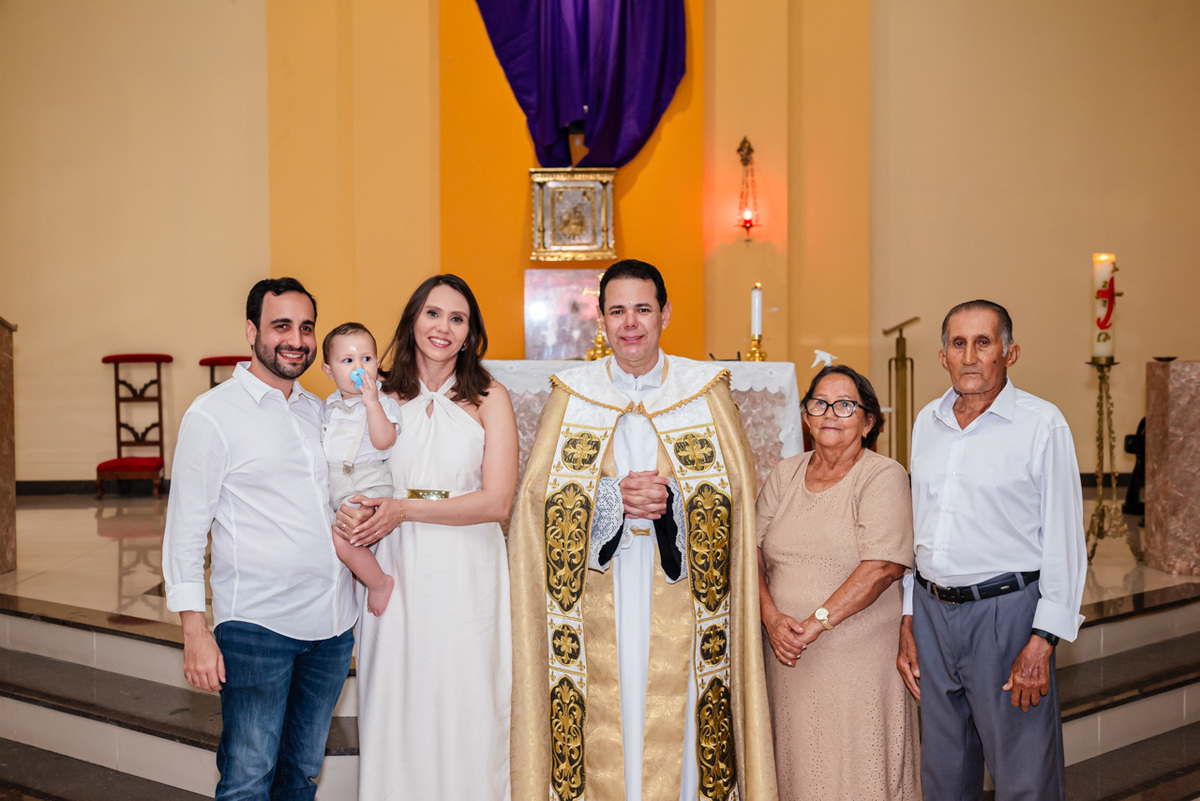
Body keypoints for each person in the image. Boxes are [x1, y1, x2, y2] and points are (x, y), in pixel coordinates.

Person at [509, 259, 777, 801]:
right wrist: (611, 498)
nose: (630, 323)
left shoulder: (703, 391)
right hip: (596, 592)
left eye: (642, 309)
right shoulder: (573, 393)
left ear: (665, 314)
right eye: (617, 311)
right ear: (601, 321)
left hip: (681, 592)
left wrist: (672, 500)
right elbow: (536, 498)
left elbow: (737, 496)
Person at [162, 277, 356, 800]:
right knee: (248, 779)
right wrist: (194, 630)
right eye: (281, 326)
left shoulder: (318, 410)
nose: (296, 339)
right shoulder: (213, 415)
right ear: (252, 331)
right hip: (257, 628)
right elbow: (184, 529)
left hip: (331, 627)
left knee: (301, 775)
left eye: (306, 327)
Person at [333, 274, 517, 800]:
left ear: (470, 333)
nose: (443, 327)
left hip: (466, 568)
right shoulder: (379, 395)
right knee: (399, 698)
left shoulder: (489, 397)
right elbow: (345, 467)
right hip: (398, 567)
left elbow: (498, 501)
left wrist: (404, 509)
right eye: (433, 314)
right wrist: (352, 512)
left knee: (467, 698)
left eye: (457, 319)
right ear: (413, 319)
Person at [895, 299, 1086, 800]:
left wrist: (1043, 638)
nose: (971, 355)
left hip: (1007, 617)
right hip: (934, 615)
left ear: (1010, 352)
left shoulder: (1041, 424)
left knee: (1025, 777)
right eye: (959, 343)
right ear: (943, 357)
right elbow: (920, 528)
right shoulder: (926, 422)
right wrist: (909, 616)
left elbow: (1065, 538)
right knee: (945, 774)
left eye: (984, 342)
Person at [756, 365, 919, 800]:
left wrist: (814, 624)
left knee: (856, 772)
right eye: (819, 403)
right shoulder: (784, 474)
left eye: (846, 405)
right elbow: (748, 551)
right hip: (788, 657)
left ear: (868, 422)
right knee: (797, 769)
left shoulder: (883, 475)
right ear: (806, 418)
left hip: (857, 659)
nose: (830, 413)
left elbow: (882, 567)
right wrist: (772, 618)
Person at [320, 322, 402, 616]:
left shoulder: (383, 403)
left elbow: (384, 442)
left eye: (366, 359)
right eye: (348, 360)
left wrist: (372, 403)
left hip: (369, 486)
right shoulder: (328, 406)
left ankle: (379, 583)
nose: (359, 367)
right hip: (339, 488)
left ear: (377, 364)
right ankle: (359, 578)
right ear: (329, 371)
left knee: (344, 540)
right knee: (337, 537)